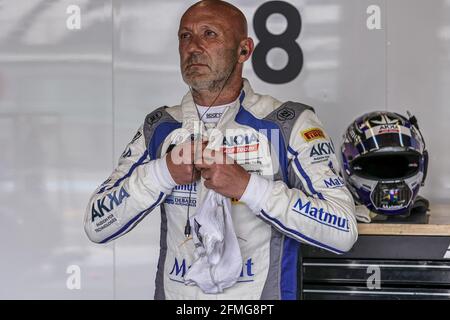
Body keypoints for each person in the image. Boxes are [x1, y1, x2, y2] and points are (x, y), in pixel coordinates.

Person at [84, 0, 358, 300]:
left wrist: (249, 187)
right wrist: (163, 172)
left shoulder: (288, 123)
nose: (193, 46)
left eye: (210, 34)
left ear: (244, 50)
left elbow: (342, 230)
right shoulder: (161, 126)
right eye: (185, 36)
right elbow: (98, 224)